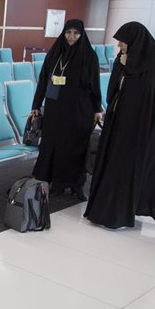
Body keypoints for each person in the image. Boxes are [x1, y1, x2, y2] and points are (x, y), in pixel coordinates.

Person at [84, 22, 155, 229]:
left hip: (140, 126)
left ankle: (119, 213)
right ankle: (102, 210)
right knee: (112, 164)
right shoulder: (125, 60)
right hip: (119, 121)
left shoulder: (154, 62)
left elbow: (145, 95)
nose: (120, 46)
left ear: (135, 41)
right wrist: (123, 65)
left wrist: (128, 67)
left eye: (123, 42)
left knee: (127, 167)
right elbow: (115, 90)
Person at [29, 19, 102, 200]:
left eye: (75, 33)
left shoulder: (89, 56)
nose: (71, 37)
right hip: (55, 110)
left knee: (76, 146)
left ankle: (76, 184)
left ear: (81, 34)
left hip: (79, 110)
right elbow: (43, 80)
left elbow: (95, 85)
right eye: (68, 33)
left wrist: (97, 109)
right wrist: (36, 105)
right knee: (54, 145)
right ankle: (56, 183)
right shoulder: (55, 54)